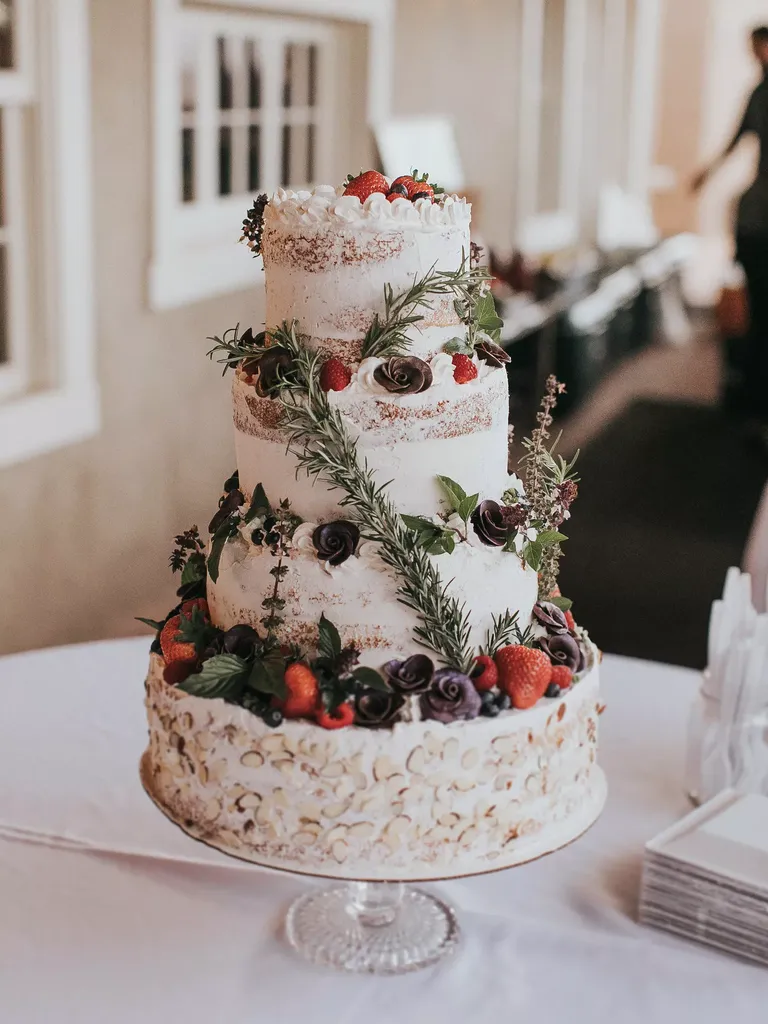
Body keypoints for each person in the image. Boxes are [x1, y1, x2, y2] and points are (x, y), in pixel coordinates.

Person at [692, 26, 768, 425]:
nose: (756, 55)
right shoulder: (758, 92)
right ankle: (753, 389)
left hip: (759, 215)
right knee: (757, 306)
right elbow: (736, 139)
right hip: (758, 217)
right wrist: (708, 173)